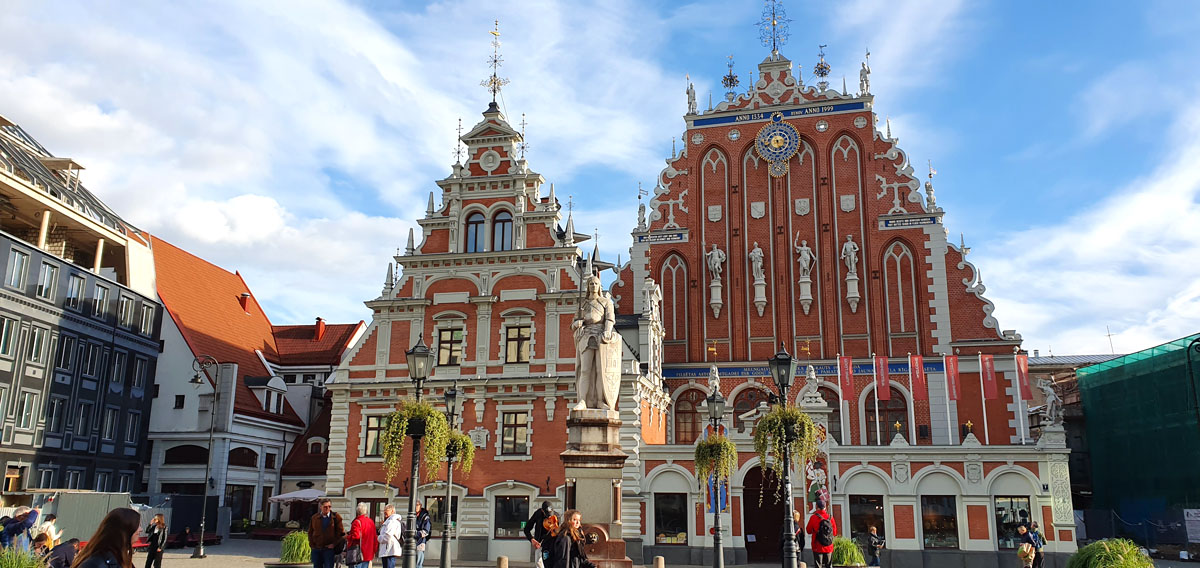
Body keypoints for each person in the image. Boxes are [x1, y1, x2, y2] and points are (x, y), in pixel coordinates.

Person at [71, 507, 142, 568]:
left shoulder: (118, 558)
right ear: (125, 530)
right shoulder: (96, 563)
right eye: (138, 525)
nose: (140, 530)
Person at [307, 499, 345, 568]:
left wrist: (334, 544)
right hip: (317, 549)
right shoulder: (314, 518)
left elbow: (341, 533)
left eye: (329, 506)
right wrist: (312, 545)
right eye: (325, 507)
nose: (328, 508)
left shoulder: (335, 517)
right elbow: (310, 532)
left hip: (329, 550)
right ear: (320, 507)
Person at [805, 500, 838, 568]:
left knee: (818, 565)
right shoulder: (830, 517)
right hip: (828, 546)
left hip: (817, 546)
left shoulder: (813, 517)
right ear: (825, 507)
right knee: (828, 565)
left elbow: (808, 530)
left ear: (817, 507)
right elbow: (834, 532)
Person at [525, 501, 557, 567]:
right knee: (538, 562)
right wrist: (532, 539)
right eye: (547, 515)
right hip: (538, 543)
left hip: (550, 543)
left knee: (549, 562)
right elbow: (526, 529)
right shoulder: (537, 514)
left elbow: (556, 532)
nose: (549, 517)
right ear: (542, 511)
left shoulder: (556, 516)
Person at [346, 503, 377, 568]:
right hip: (368, 553)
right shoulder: (371, 522)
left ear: (357, 511)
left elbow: (356, 536)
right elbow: (375, 538)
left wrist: (347, 536)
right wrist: (374, 550)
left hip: (357, 553)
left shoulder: (357, 522)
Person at [413, 501, 432, 568]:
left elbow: (426, 531)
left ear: (420, 506)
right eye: (414, 505)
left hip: (420, 541)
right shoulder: (412, 515)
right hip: (412, 541)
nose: (415, 507)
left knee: (418, 562)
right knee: (412, 562)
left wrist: (416, 534)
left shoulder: (425, 516)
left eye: (417, 505)